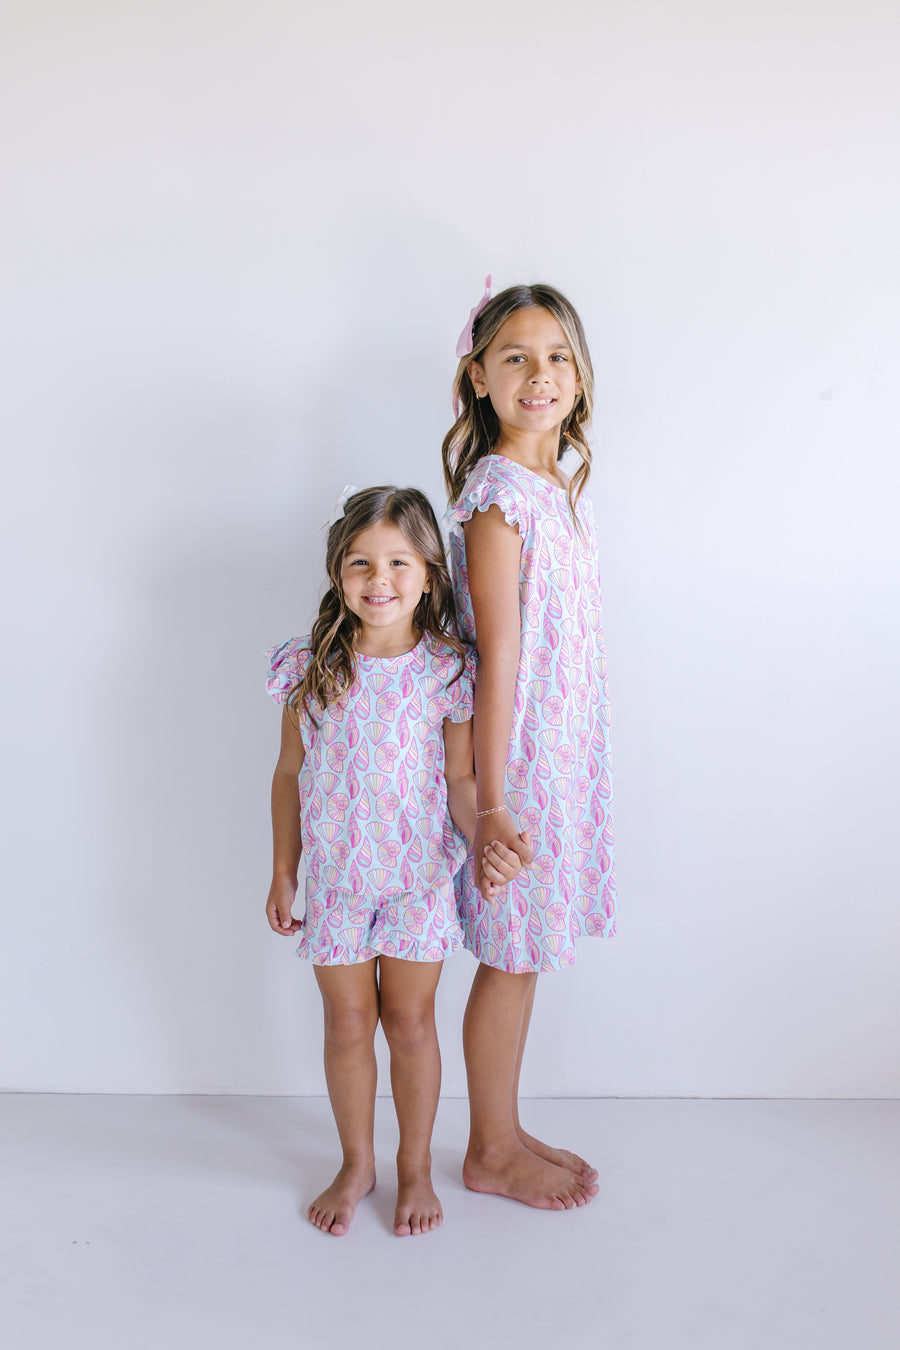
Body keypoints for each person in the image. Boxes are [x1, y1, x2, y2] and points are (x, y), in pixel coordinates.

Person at [264, 485, 528, 1237]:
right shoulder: (311, 666)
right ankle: (357, 1163)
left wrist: (485, 840)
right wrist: (284, 869)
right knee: (347, 1025)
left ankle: (415, 1167)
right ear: (337, 571)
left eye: (397, 562)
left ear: (430, 572)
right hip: (338, 883)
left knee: (410, 1024)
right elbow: (288, 773)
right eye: (360, 563)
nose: (378, 579)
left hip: (417, 882)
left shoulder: (447, 670)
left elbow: (460, 781)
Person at [442, 280, 617, 1211]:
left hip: (558, 753)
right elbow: (499, 652)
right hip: (518, 764)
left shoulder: (554, 491)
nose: (539, 374)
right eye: (515, 357)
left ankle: (503, 1128)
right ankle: (488, 1150)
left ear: (579, 378)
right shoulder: (497, 499)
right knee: (510, 953)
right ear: (480, 377)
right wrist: (493, 799)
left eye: (556, 357)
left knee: (528, 949)